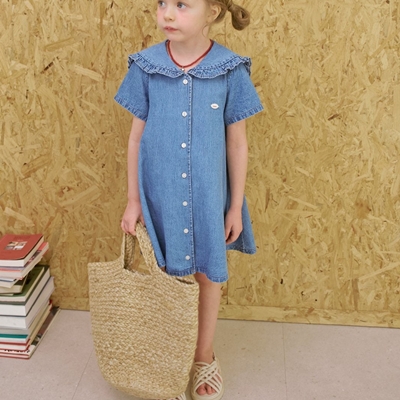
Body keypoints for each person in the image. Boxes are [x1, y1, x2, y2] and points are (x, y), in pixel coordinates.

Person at [115, 0, 263, 399]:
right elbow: (135, 138)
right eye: (162, 3)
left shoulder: (230, 69)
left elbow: (237, 143)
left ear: (212, 12)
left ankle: (202, 356)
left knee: (207, 277)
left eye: (182, 5)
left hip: (208, 200)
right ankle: (169, 359)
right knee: (165, 279)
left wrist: (235, 206)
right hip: (159, 198)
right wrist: (133, 200)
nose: (167, 13)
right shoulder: (146, 67)